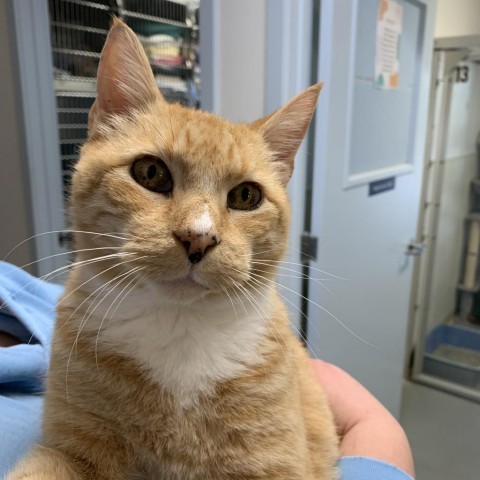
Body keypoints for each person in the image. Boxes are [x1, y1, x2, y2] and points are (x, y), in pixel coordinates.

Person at [0, 261, 415, 479]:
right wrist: (375, 433)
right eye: (152, 176)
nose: (199, 230)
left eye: (243, 198)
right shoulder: (79, 307)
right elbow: (73, 460)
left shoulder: (26, 292)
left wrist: (373, 428)